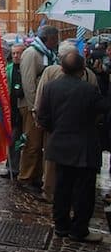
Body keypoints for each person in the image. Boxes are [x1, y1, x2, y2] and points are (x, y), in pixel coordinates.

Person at [37, 51, 108, 243]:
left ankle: (61, 225)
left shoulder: (50, 88)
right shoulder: (89, 90)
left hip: (60, 145)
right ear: (83, 70)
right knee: (84, 191)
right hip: (84, 147)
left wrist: (57, 130)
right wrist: (102, 78)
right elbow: (104, 107)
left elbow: (43, 117)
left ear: (61, 68)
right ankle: (79, 230)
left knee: (62, 187)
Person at [34, 42, 97, 203]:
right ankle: (72, 196)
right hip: (82, 133)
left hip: (55, 130)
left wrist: (41, 120)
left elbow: (41, 99)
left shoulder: (50, 73)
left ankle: (50, 191)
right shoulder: (90, 76)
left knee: (52, 164)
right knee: (76, 169)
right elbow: (97, 107)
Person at [17, 25, 59, 194]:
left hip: (41, 106)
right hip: (32, 106)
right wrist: (35, 108)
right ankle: (25, 177)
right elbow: (28, 83)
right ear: (48, 38)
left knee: (40, 144)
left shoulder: (47, 54)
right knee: (32, 144)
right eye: (55, 38)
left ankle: (35, 175)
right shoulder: (32, 54)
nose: (57, 42)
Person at [1, 44, 25, 179]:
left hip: (25, 109)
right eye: (14, 53)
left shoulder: (26, 68)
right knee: (13, 139)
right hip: (12, 110)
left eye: (18, 53)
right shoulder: (9, 69)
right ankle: (12, 167)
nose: (16, 56)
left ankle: (21, 167)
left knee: (23, 141)